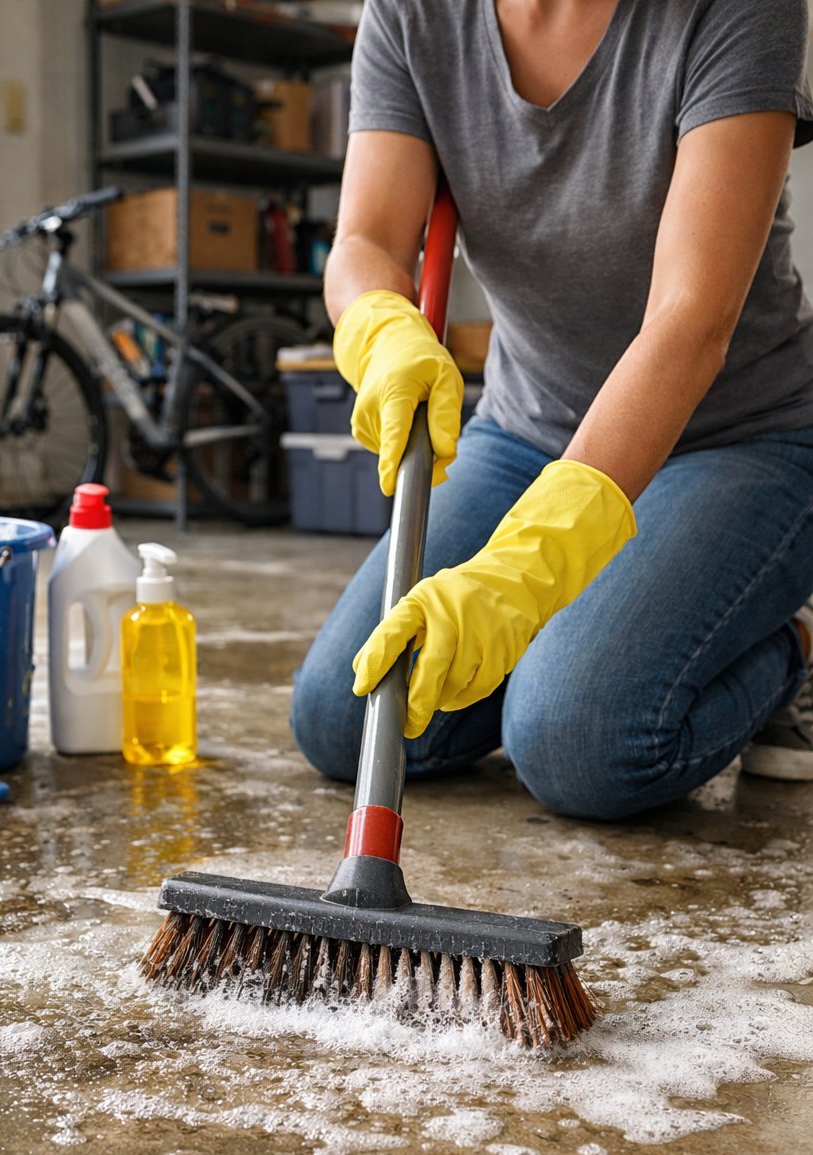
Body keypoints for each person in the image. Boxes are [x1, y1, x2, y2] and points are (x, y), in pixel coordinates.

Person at [290, 0, 813, 817]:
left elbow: (691, 320)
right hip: (528, 427)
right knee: (345, 717)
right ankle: (599, 637)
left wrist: (524, 576)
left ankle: (790, 639)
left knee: (581, 741)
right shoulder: (414, 14)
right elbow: (367, 241)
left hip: (735, 437)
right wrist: (379, 326)